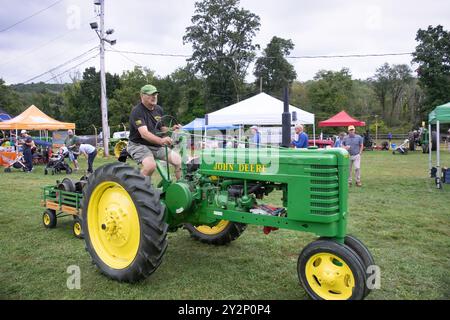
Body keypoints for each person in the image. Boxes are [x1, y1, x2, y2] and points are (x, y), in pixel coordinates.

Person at [127, 84, 182, 179]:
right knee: (150, 166)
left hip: (155, 146)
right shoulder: (137, 111)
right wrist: (161, 141)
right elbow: (144, 134)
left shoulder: (158, 109)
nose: (154, 97)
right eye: (150, 94)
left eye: (155, 94)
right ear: (142, 96)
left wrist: (172, 129)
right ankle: (137, 190)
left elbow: (161, 128)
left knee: (178, 161)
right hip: (138, 145)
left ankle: (181, 189)